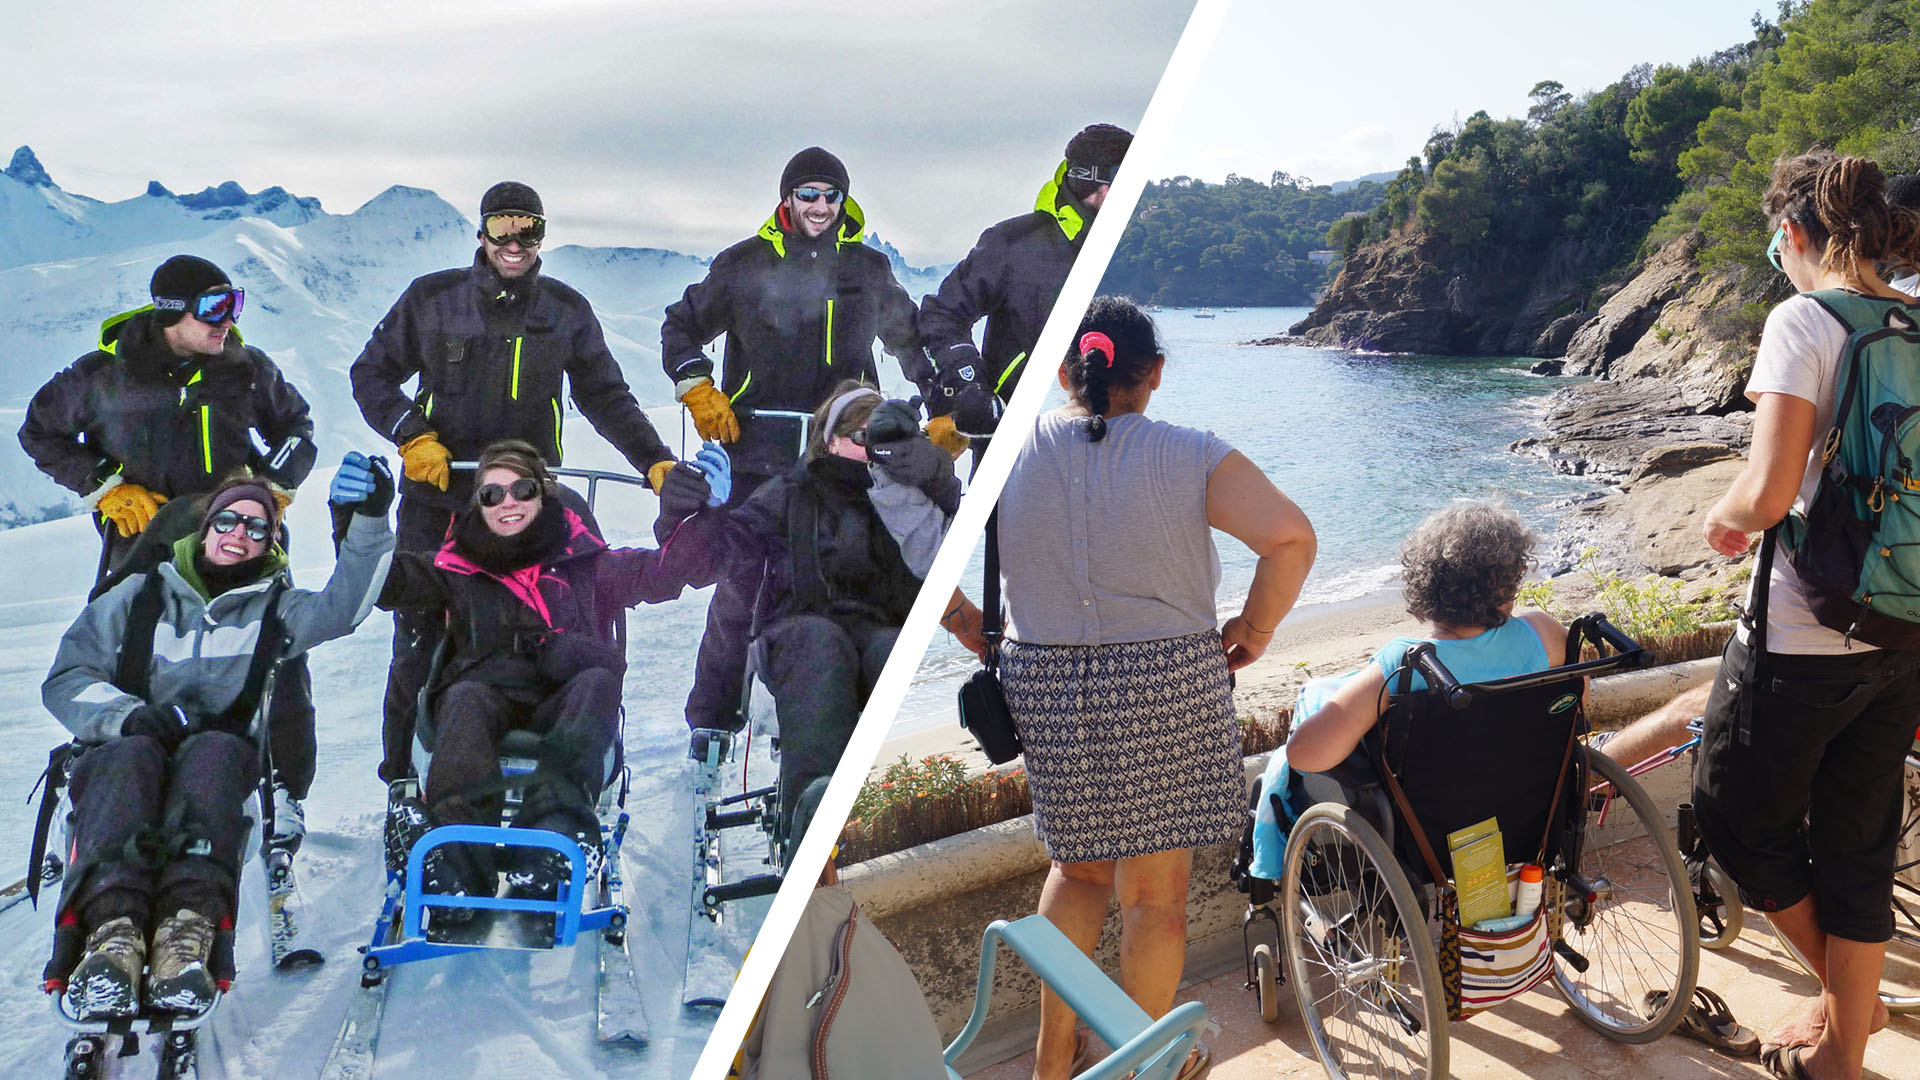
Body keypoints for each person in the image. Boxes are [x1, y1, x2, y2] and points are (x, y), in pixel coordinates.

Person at [956, 297, 1315, 1080]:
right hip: (1167, 682)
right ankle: (1138, 1061)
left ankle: (1054, 1055)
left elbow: (921, 555)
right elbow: (1290, 537)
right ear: (1153, 374)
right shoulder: (1188, 453)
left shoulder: (1004, 451)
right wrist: (1253, 631)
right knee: (1154, 895)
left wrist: (968, 624)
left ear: (1063, 372)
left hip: (1045, 683)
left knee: (1076, 871)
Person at [1692, 151, 1920, 1080]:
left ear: (1793, 235)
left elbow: (1769, 487)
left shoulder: (1804, 317)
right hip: (1903, 626)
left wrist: (1724, 518)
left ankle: (1842, 1028)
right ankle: (1843, 1053)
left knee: (1734, 817)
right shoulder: (1915, 319)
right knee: (1858, 847)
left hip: (1805, 635)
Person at [351, 181, 677, 784]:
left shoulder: (563, 310)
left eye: (529, 228)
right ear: (482, 233)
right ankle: (402, 780)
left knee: (539, 627)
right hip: (441, 495)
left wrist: (654, 461)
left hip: (523, 501)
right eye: (503, 227)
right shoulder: (433, 300)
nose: (515, 242)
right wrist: (412, 434)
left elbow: (604, 395)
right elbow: (371, 374)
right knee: (421, 636)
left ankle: (546, 771)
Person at [42, 465, 395, 1020]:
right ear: (205, 528)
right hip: (129, 744)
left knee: (215, 758)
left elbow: (345, 608)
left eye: (258, 529)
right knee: (126, 763)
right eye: (229, 520)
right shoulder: (139, 595)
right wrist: (126, 716)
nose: (240, 534)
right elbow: (67, 678)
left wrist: (371, 521)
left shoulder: (275, 609)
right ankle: (113, 934)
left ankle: (187, 937)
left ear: (271, 543)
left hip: (217, 755)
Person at [19, 254, 323, 846]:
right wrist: (105, 485)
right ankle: (105, 781)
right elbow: (40, 432)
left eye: (233, 303)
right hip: (144, 544)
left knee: (272, 657)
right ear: (169, 312)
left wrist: (272, 488)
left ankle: (280, 789)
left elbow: (297, 429)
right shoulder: (102, 376)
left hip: (242, 542)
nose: (226, 321)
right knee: (125, 656)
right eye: (213, 307)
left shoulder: (244, 368)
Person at [366, 439, 728, 909]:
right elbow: (386, 583)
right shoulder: (456, 567)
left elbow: (668, 573)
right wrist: (362, 524)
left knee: (597, 684)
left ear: (543, 494)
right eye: (492, 495)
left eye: (521, 489)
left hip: (568, 693)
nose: (508, 503)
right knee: (463, 699)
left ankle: (555, 834)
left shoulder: (590, 565)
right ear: (478, 506)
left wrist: (706, 519)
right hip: (489, 689)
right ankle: (453, 851)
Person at [661, 147, 931, 736]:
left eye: (831, 195)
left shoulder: (867, 270)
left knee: (850, 582)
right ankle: (713, 726)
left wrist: (941, 405)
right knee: (743, 588)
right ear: (787, 199)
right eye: (808, 194)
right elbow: (679, 327)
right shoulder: (744, 264)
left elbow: (911, 342)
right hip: (757, 450)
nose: (820, 206)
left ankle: (840, 718)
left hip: (847, 457)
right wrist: (697, 386)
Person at [717, 380, 957, 849]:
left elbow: (947, 543)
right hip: (798, 629)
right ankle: (810, 809)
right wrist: (706, 513)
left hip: (877, 628)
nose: (874, 451)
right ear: (831, 440)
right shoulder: (791, 493)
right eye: (863, 438)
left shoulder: (902, 493)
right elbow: (727, 558)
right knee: (821, 647)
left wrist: (934, 473)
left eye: (882, 437)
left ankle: (894, 806)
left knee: (890, 650)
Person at [1284, 504, 1569, 774]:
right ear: (1507, 585)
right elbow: (1571, 704)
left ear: (1426, 585)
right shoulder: (1543, 632)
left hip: (1432, 818)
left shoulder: (1407, 663)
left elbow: (1304, 754)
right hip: (1531, 796)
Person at [920, 124, 1133, 441]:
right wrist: (969, 382)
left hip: (1113, 442)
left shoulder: (1134, 245)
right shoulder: (1013, 243)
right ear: (1097, 184)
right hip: (1013, 444)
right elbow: (942, 314)